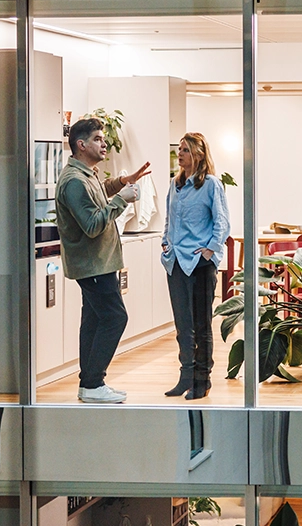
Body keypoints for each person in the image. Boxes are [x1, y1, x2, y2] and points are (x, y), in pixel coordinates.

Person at [56, 118, 151, 403]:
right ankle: (94, 383)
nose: (104, 143)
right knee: (114, 318)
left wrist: (122, 182)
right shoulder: (74, 181)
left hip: (100, 263)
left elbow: (98, 195)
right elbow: (93, 224)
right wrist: (122, 199)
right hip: (93, 265)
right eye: (98, 138)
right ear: (81, 145)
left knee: (95, 320)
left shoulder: (87, 174)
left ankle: (90, 384)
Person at [161, 132, 230, 400]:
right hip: (176, 262)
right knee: (183, 325)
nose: (180, 154)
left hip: (200, 264)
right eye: (179, 149)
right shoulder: (175, 184)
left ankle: (203, 379)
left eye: (185, 150)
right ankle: (185, 375)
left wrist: (210, 249)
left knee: (202, 325)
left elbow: (221, 222)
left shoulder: (211, 184)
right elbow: (169, 218)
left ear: (198, 155)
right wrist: (166, 243)